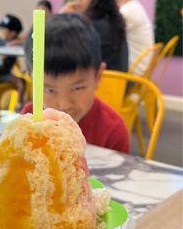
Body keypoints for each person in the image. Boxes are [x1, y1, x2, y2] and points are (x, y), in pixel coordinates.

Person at [22, 14, 130, 153]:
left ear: (98, 76)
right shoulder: (29, 120)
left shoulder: (113, 132)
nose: (64, 104)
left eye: (77, 88)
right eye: (49, 90)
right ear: (32, 80)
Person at [60, 0, 128, 73]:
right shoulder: (111, 21)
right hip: (118, 85)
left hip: (102, 85)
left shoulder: (91, 26)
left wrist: (62, 17)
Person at [113, 0, 154, 75]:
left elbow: (108, 34)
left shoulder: (130, 11)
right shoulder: (132, 7)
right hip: (139, 71)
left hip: (132, 75)